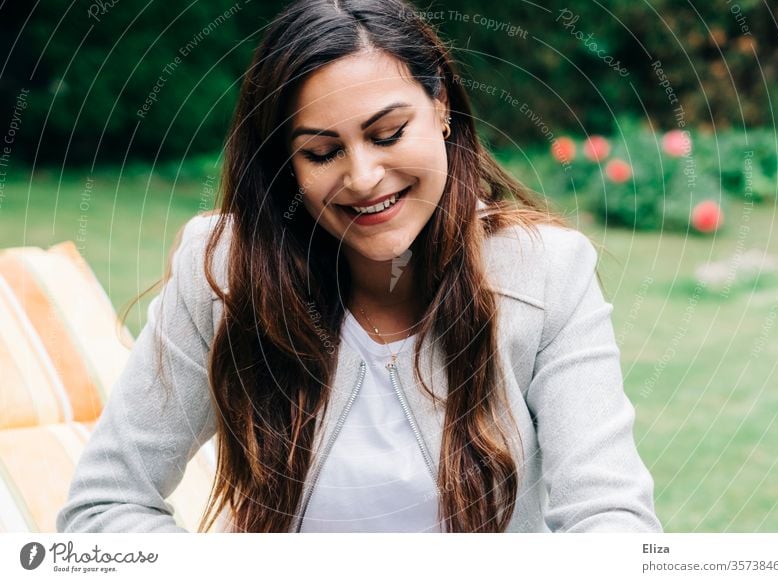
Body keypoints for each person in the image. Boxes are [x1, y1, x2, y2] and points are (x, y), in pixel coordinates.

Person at [57, 0, 662, 533]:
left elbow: (609, 515)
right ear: (285, 164)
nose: (363, 177)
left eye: (389, 133)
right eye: (322, 152)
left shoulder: (547, 271)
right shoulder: (222, 270)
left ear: (441, 108)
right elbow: (105, 505)